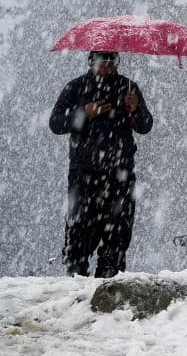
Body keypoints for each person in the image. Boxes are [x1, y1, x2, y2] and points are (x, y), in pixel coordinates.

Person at [49, 51, 153, 277]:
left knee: (116, 240)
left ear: (117, 62)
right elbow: (55, 123)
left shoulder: (128, 88)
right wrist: (84, 113)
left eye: (111, 61)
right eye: (101, 61)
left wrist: (134, 109)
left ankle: (109, 290)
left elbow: (145, 125)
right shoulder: (76, 88)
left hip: (119, 174)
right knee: (77, 241)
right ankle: (76, 292)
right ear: (91, 62)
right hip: (84, 174)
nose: (106, 66)